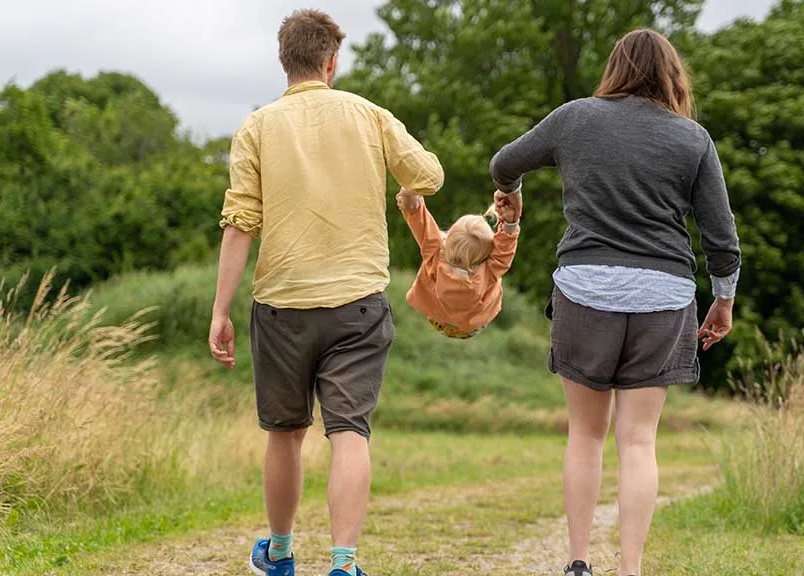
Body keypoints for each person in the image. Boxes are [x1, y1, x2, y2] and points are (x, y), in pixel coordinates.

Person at [490, 29, 741, 576]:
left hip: (585, 291)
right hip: (664, 297)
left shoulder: (574, 118)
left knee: (585, 434)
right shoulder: (692, 139)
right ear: (672, 77)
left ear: (615, 68)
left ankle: (577, 563)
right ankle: (629, 569)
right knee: (638, 441)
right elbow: (721, 238)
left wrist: (512, 195)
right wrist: (722, 301)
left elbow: (503, 163)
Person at [207, 9, 444, 576]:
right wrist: (404, 190)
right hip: (358, 303)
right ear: (331, 61)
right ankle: (343, 564)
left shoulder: (256, 126)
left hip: (281, 305)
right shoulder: (369, 116)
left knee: (285, 434)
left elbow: (240, 222)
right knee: (348, 432)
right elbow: (429, 175)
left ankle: (281, 553)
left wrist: (220, 311)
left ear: (285, 61)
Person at [396, 188, 521, 339]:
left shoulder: (435, 251)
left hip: (437, 317)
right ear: (486, 256)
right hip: (471, 325)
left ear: (448, 239)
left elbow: (417, 216)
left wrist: (410, 192)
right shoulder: (488, 272)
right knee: (495, 278)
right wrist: (510, 222)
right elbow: (504, 251)